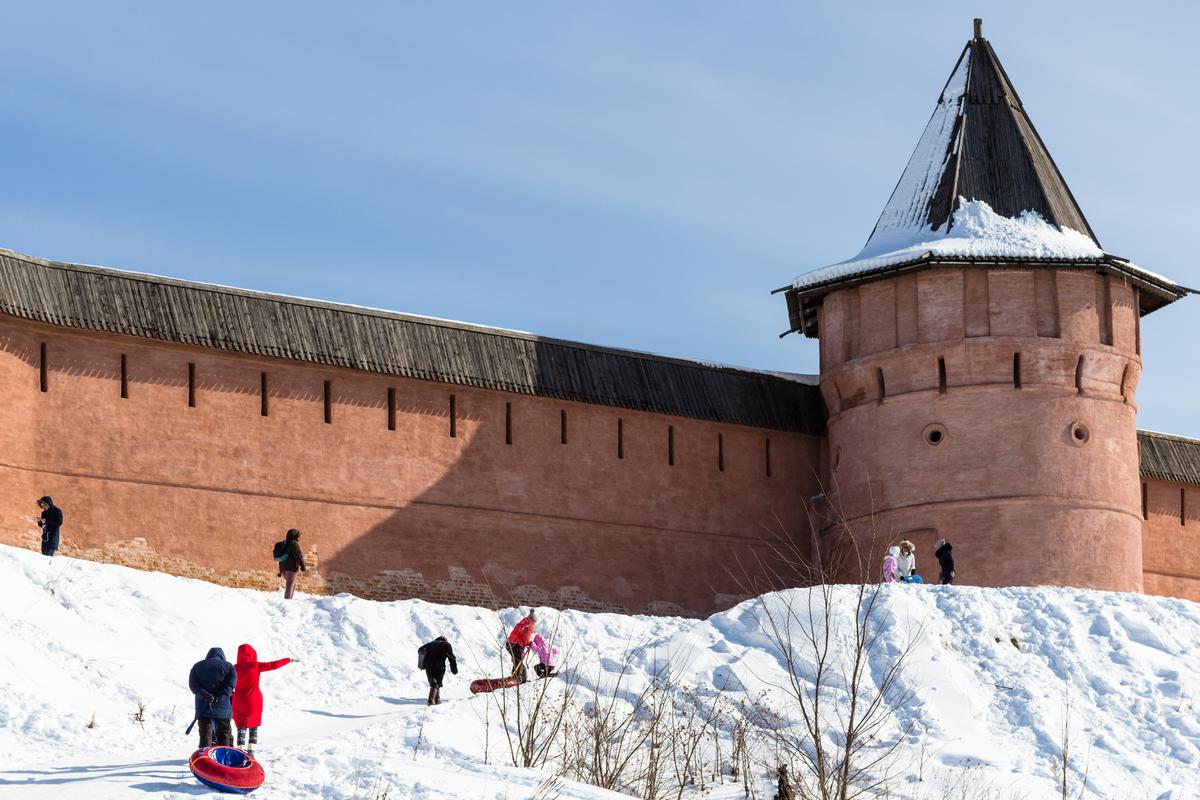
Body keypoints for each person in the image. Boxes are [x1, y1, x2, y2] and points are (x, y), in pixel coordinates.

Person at [231, 644, 291, 753]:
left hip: (238, 700)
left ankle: (240, 750)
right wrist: (288, 659)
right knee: (253, 725)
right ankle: (252, 751)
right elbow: (274, 664)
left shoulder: (234, 668)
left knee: (241, 726)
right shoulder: (255, 665)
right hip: (253, 700)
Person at [189, 647, 237, 749]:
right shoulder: (229, 667)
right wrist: (219, 698)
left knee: (205, 735)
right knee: (224, 734)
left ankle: (204, 759)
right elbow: (230, 685)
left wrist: (205, 695)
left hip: (203, 708)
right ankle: (225, 757)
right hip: (223, 708)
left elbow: (193, 686)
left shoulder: (197, 666)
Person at [418, 636, 457, 705]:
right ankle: (431, 700)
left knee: (434, 682)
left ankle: (437, 699)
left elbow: (420, 649)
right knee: (436, 683)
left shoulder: (429, 644)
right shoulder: (446, 644)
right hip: (439, 666)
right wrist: (454, 669)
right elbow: (451, 657)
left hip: (429, 667)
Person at [506, 609, 536, 683]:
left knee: (517, 661)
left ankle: (518, 677)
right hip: (516, 645)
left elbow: (521, 634)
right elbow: (526, 637)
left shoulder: (523, 622)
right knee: (518, 661)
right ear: (534, 620)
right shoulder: (530, 624)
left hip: (509, 643)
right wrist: (529, 643)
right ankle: (516, 678)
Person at [278, 529, 306, 599]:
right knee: (290, 584)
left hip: (283, 568)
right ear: (294, 536)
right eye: (298, 536)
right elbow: (298, 555)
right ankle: (288, 601)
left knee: (291, 584)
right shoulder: (294, 543)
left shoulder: (284, 543)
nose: (299, 538)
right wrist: (303, 565)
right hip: (291, 567)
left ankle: (289, 599)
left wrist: (281, 569)